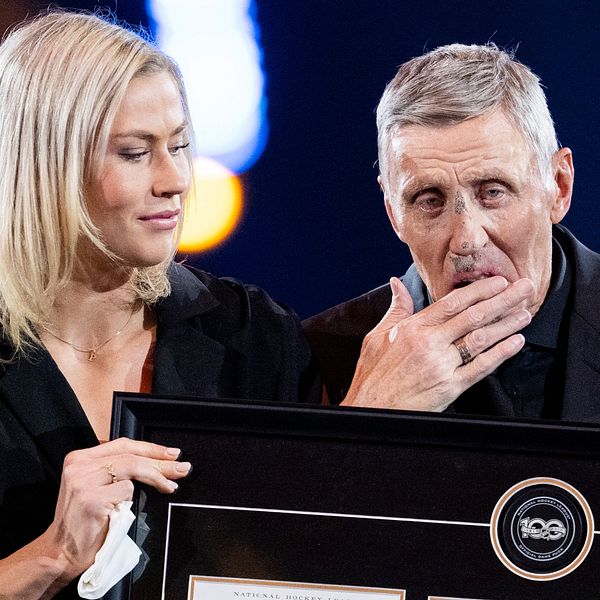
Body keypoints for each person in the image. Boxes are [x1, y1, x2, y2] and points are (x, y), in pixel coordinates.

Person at [0, 11, 317, 598]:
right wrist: (53, 555)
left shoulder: (255, 336)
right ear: (47, 168)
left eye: (179, 145)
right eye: (134, 152)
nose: (174, 179)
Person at [304, 43, 600, 422]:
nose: (466, 240)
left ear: (559, 186)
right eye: (429, 200)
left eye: (493, 192)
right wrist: (365, 418)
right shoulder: (322, 358)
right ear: (393, 213)